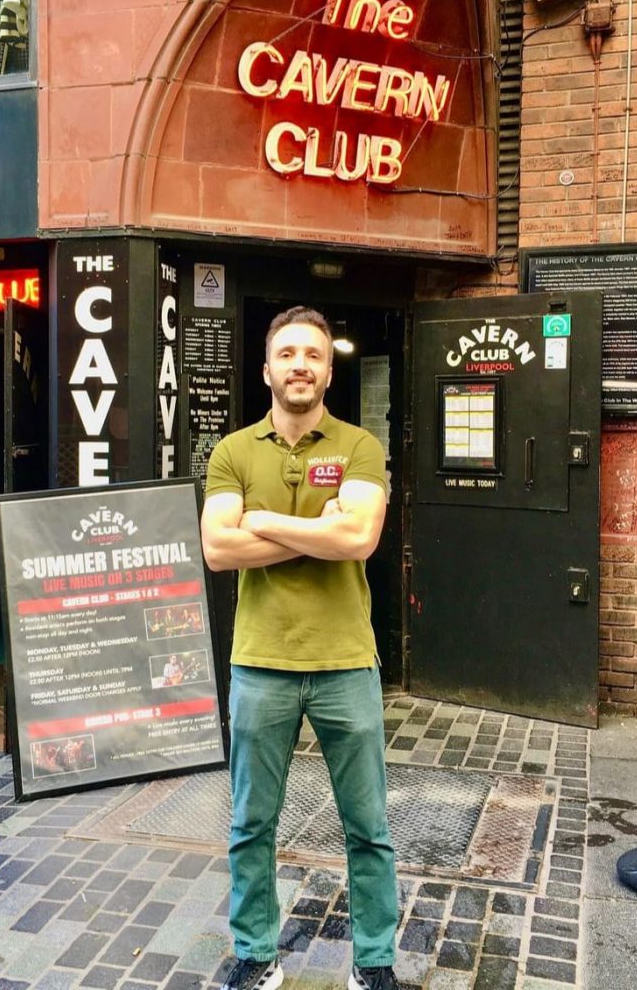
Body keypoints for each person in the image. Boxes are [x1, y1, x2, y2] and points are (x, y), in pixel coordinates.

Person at [201, 307, 398, 990]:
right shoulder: (233, 452)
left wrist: (263, 521)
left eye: (313, 355)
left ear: (328, 372)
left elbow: (359, 539)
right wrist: (320, 528)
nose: (300, 366)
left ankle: (374, 962)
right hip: (260, 662)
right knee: (251, 823)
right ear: (267, 370)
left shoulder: (359, 446)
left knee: (368, 826)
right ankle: (256, 954)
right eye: (287, 354)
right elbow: (218, 549)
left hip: (346, 661)